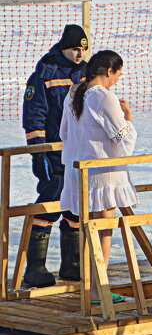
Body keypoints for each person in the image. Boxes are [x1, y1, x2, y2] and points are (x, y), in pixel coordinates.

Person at [59, 50, 136, 306]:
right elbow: (122, 139)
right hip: (102, 173)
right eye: (118, 75)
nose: (117, 80)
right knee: (103, 230)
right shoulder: (104, 97)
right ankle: (98, 289)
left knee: (89, 229)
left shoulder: (73, 93)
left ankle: (91, 287)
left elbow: (64, 132)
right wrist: (128, 116)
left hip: (78, 170)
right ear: (107, 72)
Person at [20, 24, 89, 287]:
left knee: (75, 205)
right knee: (51, 200)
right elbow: (34, 115)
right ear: (63, 48)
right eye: (74, 49)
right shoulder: (45, 74)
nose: (79, 54)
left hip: (79, 151)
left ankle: (71, 264)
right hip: (53, 151)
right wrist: (38, 152)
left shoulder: (85, 72)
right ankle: (35, 267)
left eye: (83, 49)